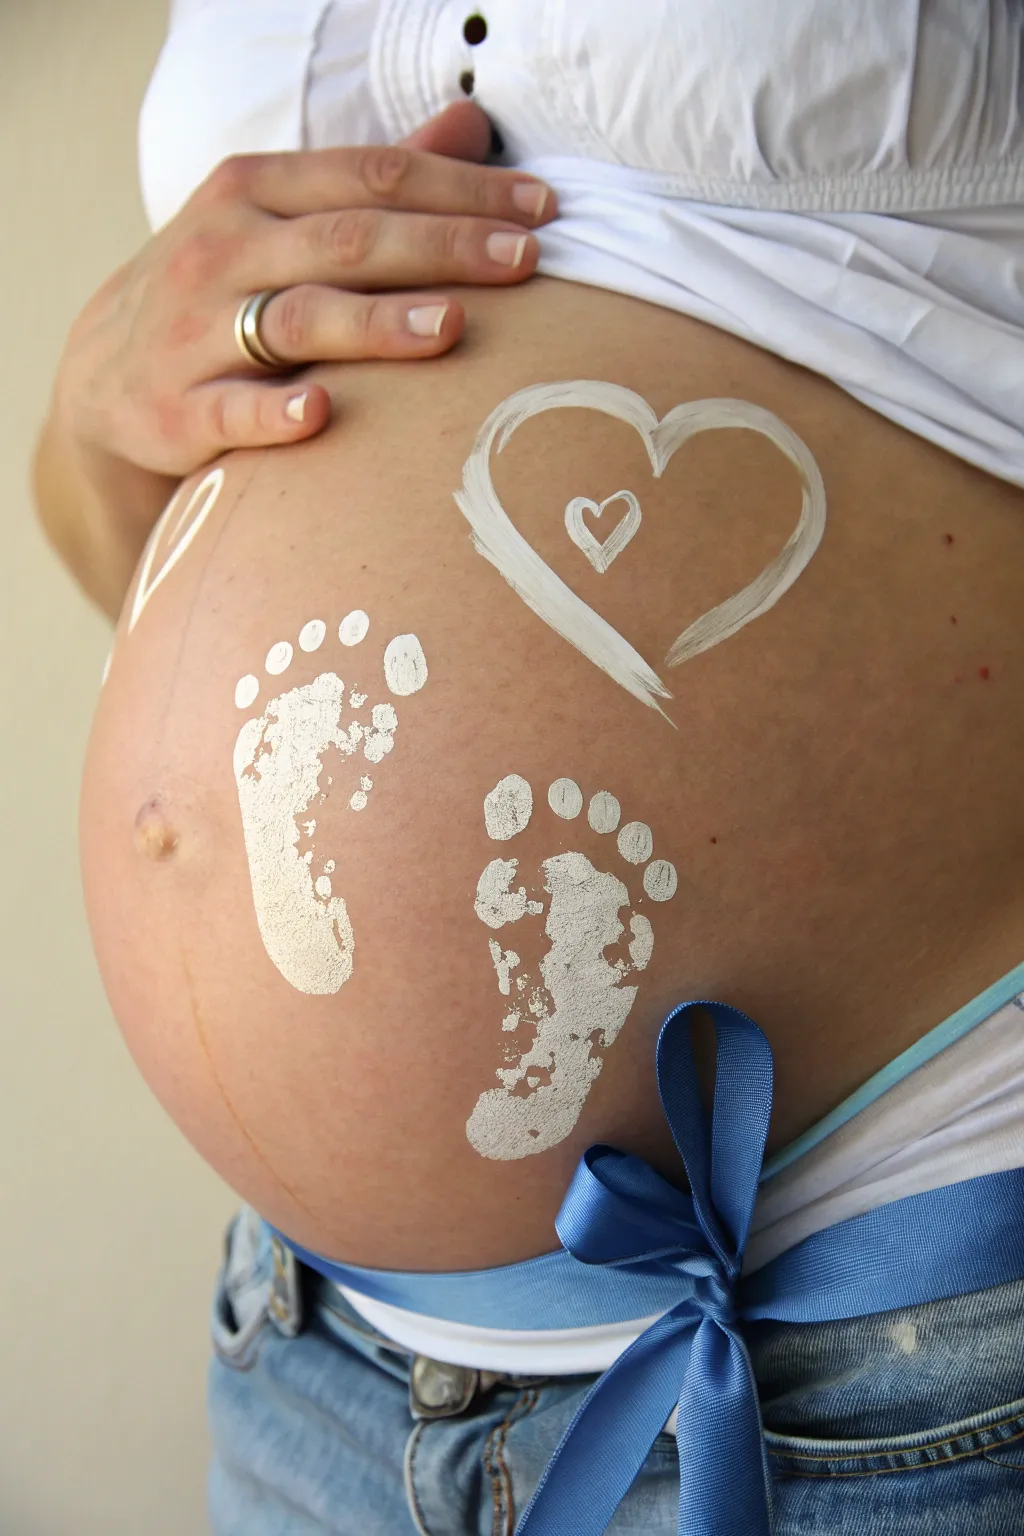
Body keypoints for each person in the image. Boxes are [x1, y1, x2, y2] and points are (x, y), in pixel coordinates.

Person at [39, 2, 1024, 1532]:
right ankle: (511, 941)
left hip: (886, 1354)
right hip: (315, 1355)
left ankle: (534, 956)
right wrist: (90, 417)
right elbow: (147, 546)